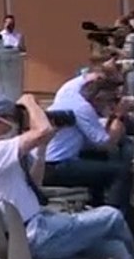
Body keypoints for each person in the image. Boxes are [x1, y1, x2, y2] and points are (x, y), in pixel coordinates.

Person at [0, 93, 134, 259]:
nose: (16, 123)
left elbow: (36, 182)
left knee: (114, 247)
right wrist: (29, 102)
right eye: (11, 118)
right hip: (39, 238)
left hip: (33, 233)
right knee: (112, 216)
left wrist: (42, 148)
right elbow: (43, 130)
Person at [42, 75, 133, 215]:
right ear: (98, 98)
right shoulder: (82, 108)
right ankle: (115, 215)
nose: (112, 105)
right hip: (55, 165)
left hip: (49, 162)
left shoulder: (73, 100)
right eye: (111, 100)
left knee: (100, 159)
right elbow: (107, 144)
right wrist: (118, 115)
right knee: (121, 171)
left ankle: (97, 205)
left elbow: (96, 141)